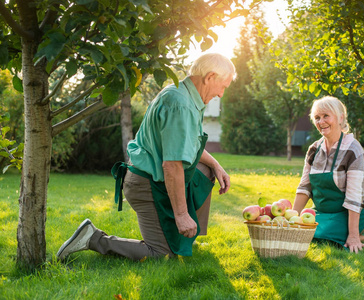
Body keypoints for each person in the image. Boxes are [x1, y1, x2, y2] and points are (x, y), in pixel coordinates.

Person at [57, 53, 236, 261]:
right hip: (146, 184)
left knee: (206, 171)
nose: (222, 94)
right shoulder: (180, 104)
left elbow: (189, 145)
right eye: (223, 86)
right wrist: (181, 215)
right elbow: (172, 165)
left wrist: (217, 165)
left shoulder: (187, 96)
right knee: (160, 254)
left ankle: (187, 238)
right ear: (210, 77)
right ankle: (92, 238)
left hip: (154, 178)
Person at [293, 96, 364, 253]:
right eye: (317, 118)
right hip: (325, 210)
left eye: (326, 116)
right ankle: (343, 231)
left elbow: (354, 196)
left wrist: (352, 236)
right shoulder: (314, 149)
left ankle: (363, 233)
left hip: (354, 209)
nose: (321, 122)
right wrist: (290, 219)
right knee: (301, 230)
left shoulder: (353, 149)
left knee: (323, 236)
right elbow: (305, 186)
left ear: (340, 118)